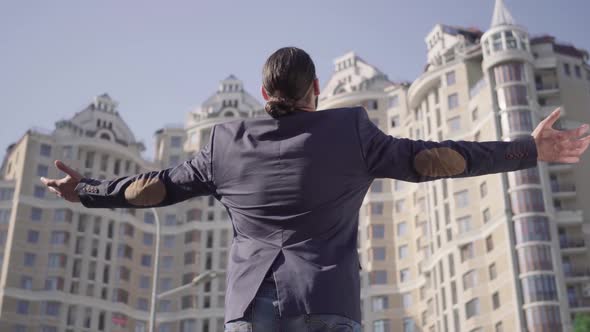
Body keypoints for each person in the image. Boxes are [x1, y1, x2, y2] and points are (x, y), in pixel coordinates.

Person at [41, 47, 590, 332]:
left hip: (250, 308)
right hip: (327, 302)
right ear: (317, 90)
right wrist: (529, 148)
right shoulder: (351, 131)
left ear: (263, 93)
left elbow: (153, 188)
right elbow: (436, 160)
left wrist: (86, 189)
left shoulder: (224, 143)